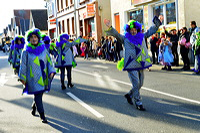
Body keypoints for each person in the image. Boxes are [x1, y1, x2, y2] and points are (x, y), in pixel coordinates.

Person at [104, 15, 163, 111]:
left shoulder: (142, 36)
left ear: (137, 29)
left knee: (140, 84)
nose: (133, 31)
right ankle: (138, 102)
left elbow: (151, 31)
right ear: (128, 30)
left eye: (135, 29)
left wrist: (157, 24)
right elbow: (117, 35)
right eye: (131, 30)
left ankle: (129, 95)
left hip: (140, 63)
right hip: (131, 64)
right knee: (136, 83)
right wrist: (110, 27)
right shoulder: (125, 39)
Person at [19, 28, 56, 123]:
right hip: (32, 78)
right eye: (31, 37)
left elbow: (49, 61)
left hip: (43, 77)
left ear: (38, 38)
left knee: (39, 95)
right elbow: (23, 65)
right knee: (38, 96)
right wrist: (22, 78)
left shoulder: (43, 50)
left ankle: (34, 106)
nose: (33, 39)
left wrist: (51, 71)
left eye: (35, 37)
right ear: (29, 39)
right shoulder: (26, 52)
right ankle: (42, 115)